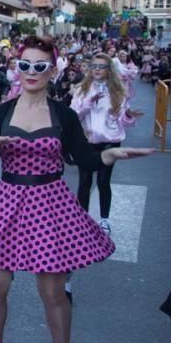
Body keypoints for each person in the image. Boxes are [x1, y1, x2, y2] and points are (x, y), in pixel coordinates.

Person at [0, 36, 151, 343]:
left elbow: (82, 157)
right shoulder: (1, 112)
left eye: (40, 67)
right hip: (8, 201)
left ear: (53, 71)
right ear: (16, 69)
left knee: (52, 292)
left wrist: (107, 156)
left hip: (49, 204)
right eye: (25, 65)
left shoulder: (63, 115)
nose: (31, 72)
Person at [70, 53, 143, 234]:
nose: (96, 70)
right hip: (86, 141)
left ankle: (104, 220)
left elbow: (122, 120)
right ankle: (82, 219)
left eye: (101, 67)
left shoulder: (118, 91)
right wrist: (88, 103)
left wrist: (129, 116)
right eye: (94, 66)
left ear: (109, 70)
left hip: (110, 141)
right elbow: (73, 117)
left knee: (103, 181)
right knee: (85, 181)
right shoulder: (81, 89)